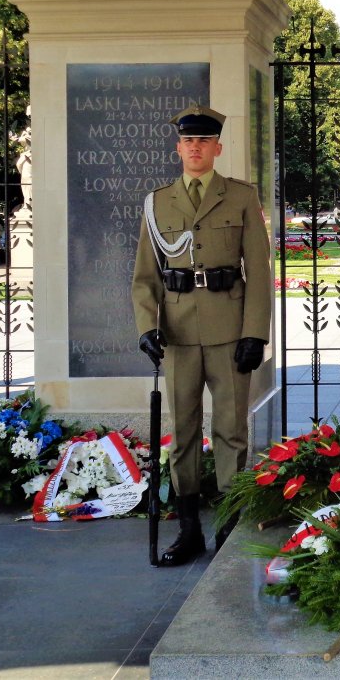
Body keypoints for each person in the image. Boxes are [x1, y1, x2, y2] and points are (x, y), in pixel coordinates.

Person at [131, 104, 273, 566]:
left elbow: (260, 269)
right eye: (188, 141)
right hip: (177, 332)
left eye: (203, 141)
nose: (195, 148)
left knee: (230, 428)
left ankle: (229, 525)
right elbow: (145, 276)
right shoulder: (157, 202)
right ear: (179, 148)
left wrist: (255, 333)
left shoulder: (240, 197)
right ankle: (189, 528)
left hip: (230, 329)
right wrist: (147, 327)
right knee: (185, 431)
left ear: (217, 148)